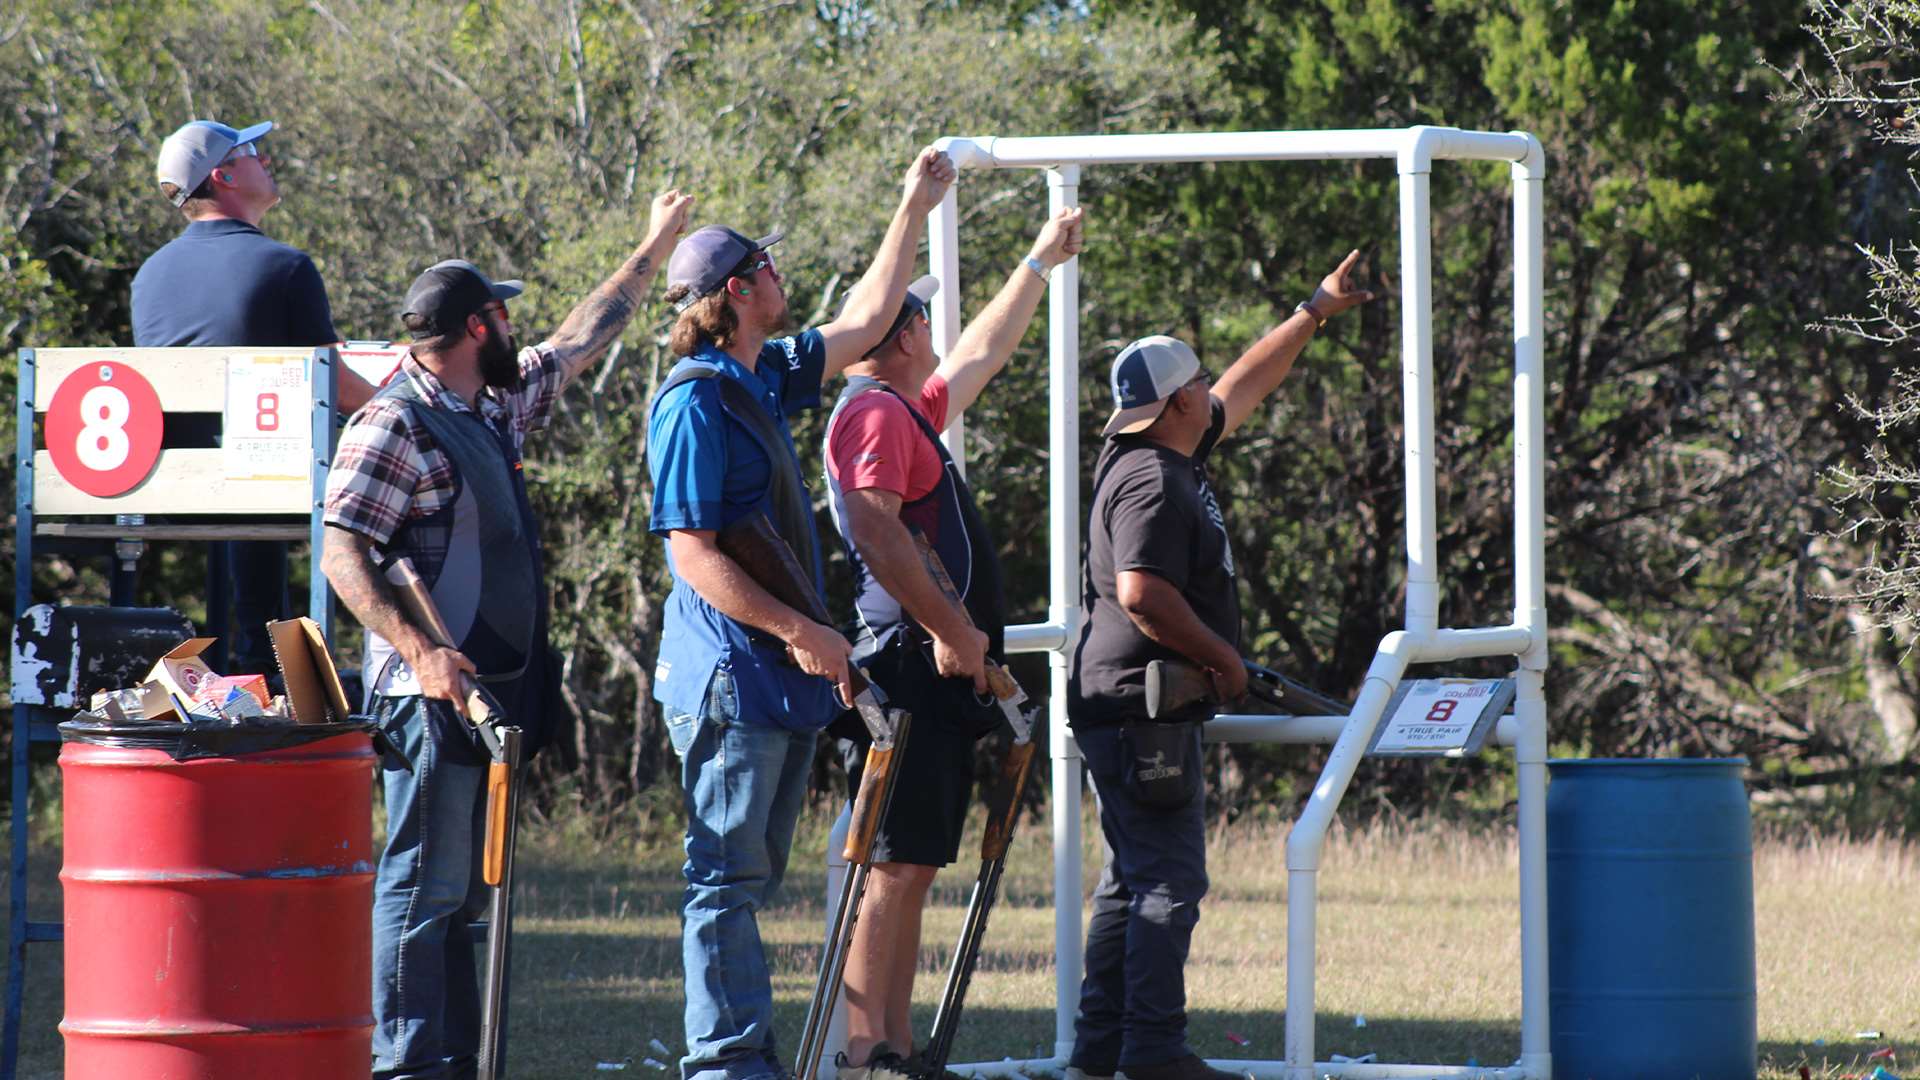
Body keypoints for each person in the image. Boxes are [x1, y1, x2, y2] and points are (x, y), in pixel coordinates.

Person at [320, 187, 696, 1080]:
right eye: (501, 313)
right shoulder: (391, 422)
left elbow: (579, 337)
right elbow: (343, 553)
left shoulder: (487, 404)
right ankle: (407, 1064)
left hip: (489, 689)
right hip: (424, 696)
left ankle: (447, 1058)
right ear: (479, 326)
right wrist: (423, 652)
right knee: (423, 889)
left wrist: (653, 246)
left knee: (463, 896)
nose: (515, 329)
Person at [645, 146, 957, 1080]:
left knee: (747, 880)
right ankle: (730, 1065)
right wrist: (801, 630)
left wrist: (912, 204)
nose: (783, 276)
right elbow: (692, 551)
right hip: (732, 676)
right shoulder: (694, 402)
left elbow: (866, 320)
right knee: (725, 886)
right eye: (769, 266)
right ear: (740, 290)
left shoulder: (758, 374)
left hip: (770, 676)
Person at [1065, 251, 1376, 1080]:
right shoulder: (1156, 483)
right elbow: (1141, 593)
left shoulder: (1164, 454)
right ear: (1174, 404)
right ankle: (1154, 1053)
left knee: (1131, 887)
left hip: (1129, 704)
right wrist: (1223, 659)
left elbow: (1244, 384)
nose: (1212, 391)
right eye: (1195, 383)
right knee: (1168, 882)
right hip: (1144, 706)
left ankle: (1103, 1053)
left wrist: (1313, 309)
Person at [820, 207, 1086, 1080]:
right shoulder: (875, 416)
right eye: (922, 316)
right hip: (910, 663)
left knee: (917, 862)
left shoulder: (904, 410)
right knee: (894, 867)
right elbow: (878, 531)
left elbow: (982, 353)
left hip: (931, 666)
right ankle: (868, 1053)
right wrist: (951, 628)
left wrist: (1039, 264)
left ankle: (893, 1047)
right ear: (900, 336)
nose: (935, 330)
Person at [132, 118, 378, 674]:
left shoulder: (149, 275)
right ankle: (298, 670)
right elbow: (336, 388)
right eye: (252, 152)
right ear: (223, 175)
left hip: (176, 490)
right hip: (266, 481)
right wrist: (403, 407)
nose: (266, 159)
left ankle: (257, 659)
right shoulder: (284, 266)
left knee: (254, 462)